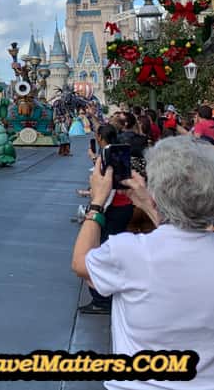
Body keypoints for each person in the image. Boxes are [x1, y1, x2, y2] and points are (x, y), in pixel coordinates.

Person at [71, 136, 214, 387]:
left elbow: (82, 263)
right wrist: (148, 203)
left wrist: (97, 203)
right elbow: (183, 235)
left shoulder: (130, 252)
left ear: (157, 191)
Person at [78, 122, 134, 314]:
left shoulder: (106, 155)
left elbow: (105, 184)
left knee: (98, 251)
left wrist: (95, 209)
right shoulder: (119, 151)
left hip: (111, 208)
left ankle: (101, 299)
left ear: (101, 138)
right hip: (124, 206)